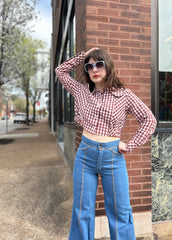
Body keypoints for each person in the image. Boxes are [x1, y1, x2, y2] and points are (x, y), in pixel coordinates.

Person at [55, 48, 157, 240]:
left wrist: (131, 144)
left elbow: (149, 119)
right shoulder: (81, 90)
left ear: (107, 67)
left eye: (99, 64)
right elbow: (60, 71)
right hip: (85, 154)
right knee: (82, 210)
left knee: (120, 209)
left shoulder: (124, 95)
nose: (94, 69)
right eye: (89, 66)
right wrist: (83, 55)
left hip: (112, 157)